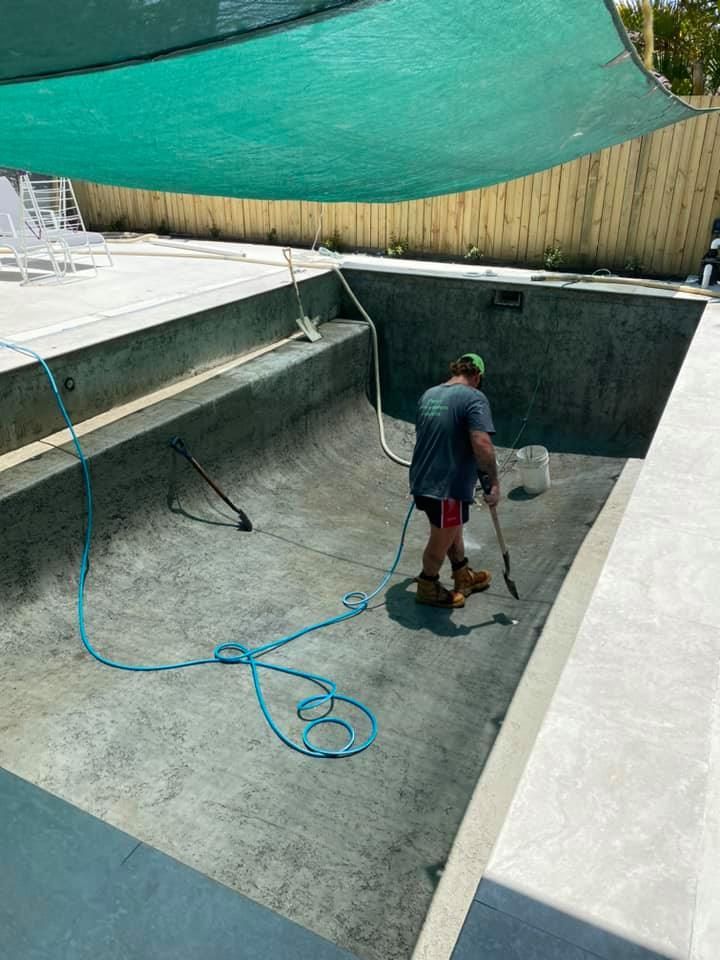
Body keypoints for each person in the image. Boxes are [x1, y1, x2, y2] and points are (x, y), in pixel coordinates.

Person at [409, 352, 499, 608]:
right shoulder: (474, 397)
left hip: (423, 479)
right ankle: (428, 585)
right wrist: (493, 484)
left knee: (452, 529)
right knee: (440, 539)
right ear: (477, 376)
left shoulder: (429, 395)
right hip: (446, 485)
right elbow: (482, 444)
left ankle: (463, 575)